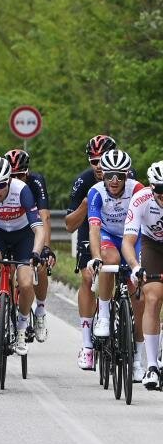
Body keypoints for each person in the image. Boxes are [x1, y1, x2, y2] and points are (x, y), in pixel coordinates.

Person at [0, 156, 45, 357]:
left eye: (1, 185)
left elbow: (38, 229)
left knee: (27, 282)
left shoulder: (22, 190)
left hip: (23, 235)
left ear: (9, 180)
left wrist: (37, 253)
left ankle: (21, 330)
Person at [86, 149, 145, 381]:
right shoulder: (96, 192)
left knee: (138, 298)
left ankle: (139, 360)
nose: (114, 181)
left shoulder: (138, 190)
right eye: (109, 175)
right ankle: (104, 314)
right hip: (110, 236)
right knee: (110, 261)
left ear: (126, 175)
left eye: (119, 176)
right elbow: (94, 229)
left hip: (135, 237)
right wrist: (95, 257)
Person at [65, 135, 119, 370]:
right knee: (88, 278)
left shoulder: (126, 175)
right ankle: (87, 345)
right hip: (91, 231)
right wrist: (85, 205)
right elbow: (68, 225)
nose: (98, 165)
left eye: (101, 160)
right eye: (93, 160)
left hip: (119, 233)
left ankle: (123, 318)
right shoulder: (83, 180)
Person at [4, 149, 55, 342]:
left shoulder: (35, 181)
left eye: (20, 175)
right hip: (6, 229)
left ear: (27, 172)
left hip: (30, 229)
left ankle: (40, 311)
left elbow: (44, 216)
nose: (16, 179)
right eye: (12, 176)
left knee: (40, 264)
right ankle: (1, 307)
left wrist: (46, 248)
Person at [122, 161, 163, 389]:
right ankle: (152, 367)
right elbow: (128, 242)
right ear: (151, 187)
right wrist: (136, 267)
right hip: (152, 245)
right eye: (160, 190)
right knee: (153, 297)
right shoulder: (141, 199)